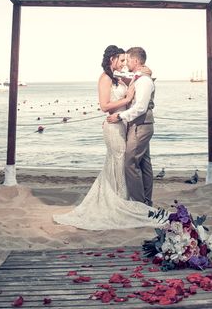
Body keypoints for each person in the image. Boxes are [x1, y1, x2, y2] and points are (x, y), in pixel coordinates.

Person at [53, 45, 158, 230]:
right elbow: (104, 106)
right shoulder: (104, 78)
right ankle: (122, 201)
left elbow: (140, 77)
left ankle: (129, 200)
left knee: (122, 162)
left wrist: (146, 70)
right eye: (121, 60)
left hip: (124, 124)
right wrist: (126, 101)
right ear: (112, 59)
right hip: (114, 125)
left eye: (127, 60)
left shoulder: (118, 77)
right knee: (119, 161)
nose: (124, 63)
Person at [107, 47, 155, 206]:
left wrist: (119, 116)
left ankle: (140, 203)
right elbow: (116, 74)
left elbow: (140, 107)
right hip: (139, 124)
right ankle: (146, 202)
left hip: (140, 124)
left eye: (127, 60)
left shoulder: (144, 81)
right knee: (144, 163)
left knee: (129, 162)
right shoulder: (139, 77)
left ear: (135, 60)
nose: (126, 63)